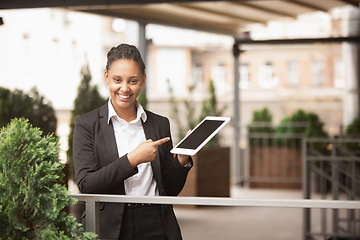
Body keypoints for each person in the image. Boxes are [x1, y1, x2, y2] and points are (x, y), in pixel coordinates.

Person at [73, 43, 193, 240]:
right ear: (106, 78)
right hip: (110, 226)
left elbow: (169, 189)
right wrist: (132, 159)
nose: (125, 88)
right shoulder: (87, 124)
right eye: (117, 80)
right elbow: (87, 184)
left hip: (157, 222)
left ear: (143, 80)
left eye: (133, 81)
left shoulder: (160, 124)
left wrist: (181, 159)